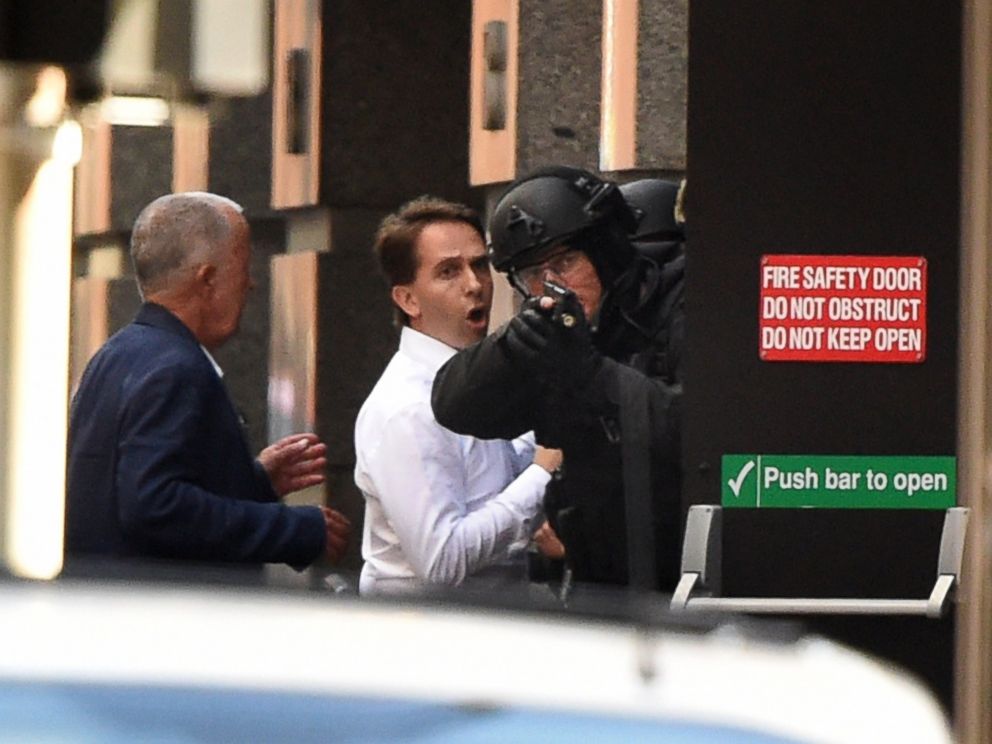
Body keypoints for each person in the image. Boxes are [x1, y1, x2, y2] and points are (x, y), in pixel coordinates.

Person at [66, 192, 350, 574]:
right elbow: (155, 507)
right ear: (208, 278)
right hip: (164, 623)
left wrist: (253, 481)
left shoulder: (115, 354)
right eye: (244, 266)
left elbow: (130, 492)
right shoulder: (177, 369)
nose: (250, 284)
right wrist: (295, 528)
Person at [431, 166, 685, 592]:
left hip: (683, 579)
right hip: (597, 581)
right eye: (533, 275)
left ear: (603, 252)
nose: (552, 284)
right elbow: (454, 405)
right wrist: (513, 345)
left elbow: (692, 432)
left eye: (565, 262)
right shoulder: (556, 328)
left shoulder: (681, 304)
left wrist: (591, 374)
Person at [354, 196, 562, 596]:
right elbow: (441, 561)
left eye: (480, 265)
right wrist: (541, 474)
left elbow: (494, 482)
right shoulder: (407, 408)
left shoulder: (481, 376)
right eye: (449, 271)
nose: (475, 285)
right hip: (426, 647)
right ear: (407, 299)